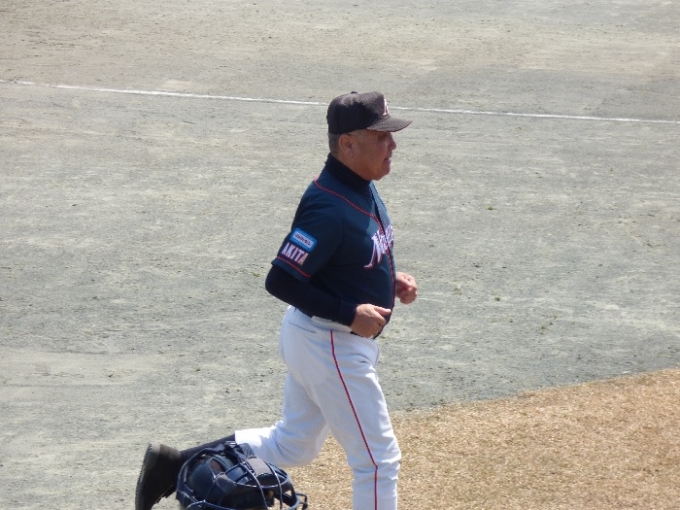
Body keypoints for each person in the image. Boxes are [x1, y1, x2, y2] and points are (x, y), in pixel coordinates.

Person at [135, 91, 418, 510]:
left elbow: (346, 255)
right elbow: (280, 279)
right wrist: (349, 312)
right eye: (381, 137)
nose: (392, 144)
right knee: (378, 462)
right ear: (347, 144)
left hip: (319, 338)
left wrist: (384, 279)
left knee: (293, 443)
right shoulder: (328, 206)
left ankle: (175, 464)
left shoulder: (359, 186)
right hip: (330, 343)